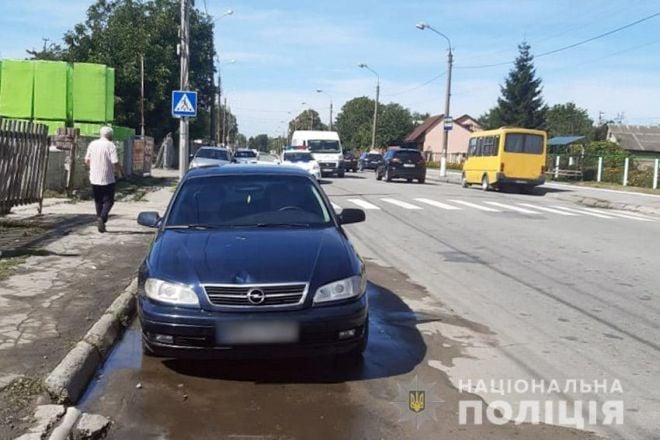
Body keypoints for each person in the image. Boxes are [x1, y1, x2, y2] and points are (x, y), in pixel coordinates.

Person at [85, 126, 123, 233]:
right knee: (109, 201)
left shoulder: (92, 144)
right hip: (107, 178)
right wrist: (120, 172)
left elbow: (87, 160)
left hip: (94, 177)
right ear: (110, 135)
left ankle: (99, 220)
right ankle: (102, 218)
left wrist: (92, 168)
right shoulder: (110, 145)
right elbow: (115, 161)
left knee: (98, 200)